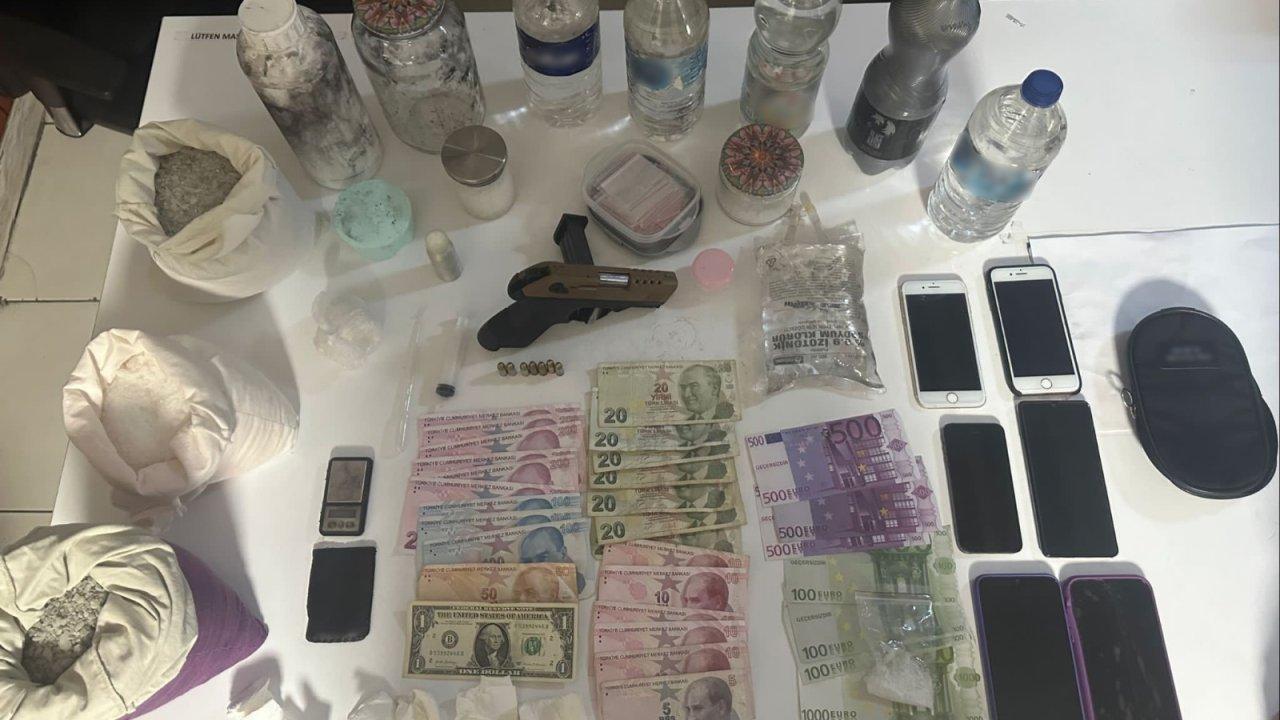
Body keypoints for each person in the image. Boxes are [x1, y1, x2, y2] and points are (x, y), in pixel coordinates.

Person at [519, 525, 585, 592]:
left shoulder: (587, 590)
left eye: (541, 559)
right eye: (527, 562)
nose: (533, 568)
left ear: (563, 553)